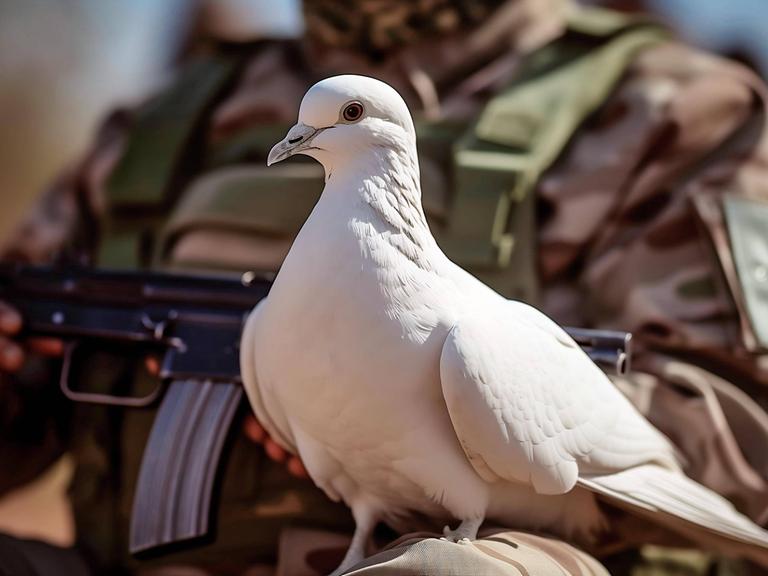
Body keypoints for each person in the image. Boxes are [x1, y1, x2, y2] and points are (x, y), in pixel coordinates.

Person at [2, 0, 768, 574]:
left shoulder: (680, 111)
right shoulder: (165, 119)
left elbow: (740, 425)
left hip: (503, 542)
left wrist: (492, 396)